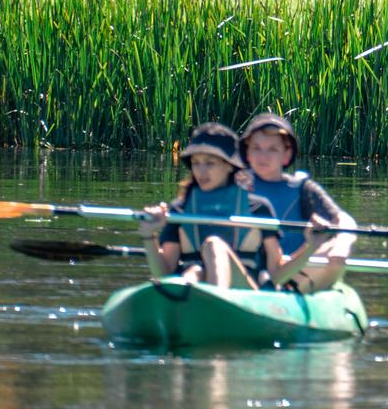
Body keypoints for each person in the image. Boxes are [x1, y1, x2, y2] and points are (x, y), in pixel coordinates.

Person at [141, 123, 286, 290]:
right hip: (196, 286)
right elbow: (164, 274)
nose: (201, 171)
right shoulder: (180, 210)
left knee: (213, 245)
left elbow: (276, 271)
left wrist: (311, 246)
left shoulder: (257, 208)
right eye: (196, 163)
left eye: (210, 163)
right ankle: (186, 297)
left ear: (229, 165)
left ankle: (216, 298)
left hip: (245, 291)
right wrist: (149, 234)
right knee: (195, 271)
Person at [240, 112, 358, 294]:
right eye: (256, 148)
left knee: (336, 251)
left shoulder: (303, 190)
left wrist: (342, 245)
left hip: (293, 271)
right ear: (247, 152)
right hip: (245, 270)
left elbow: (344, 220)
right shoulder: (235, 185)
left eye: (272, 149)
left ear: (286, 155)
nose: (263, 156)